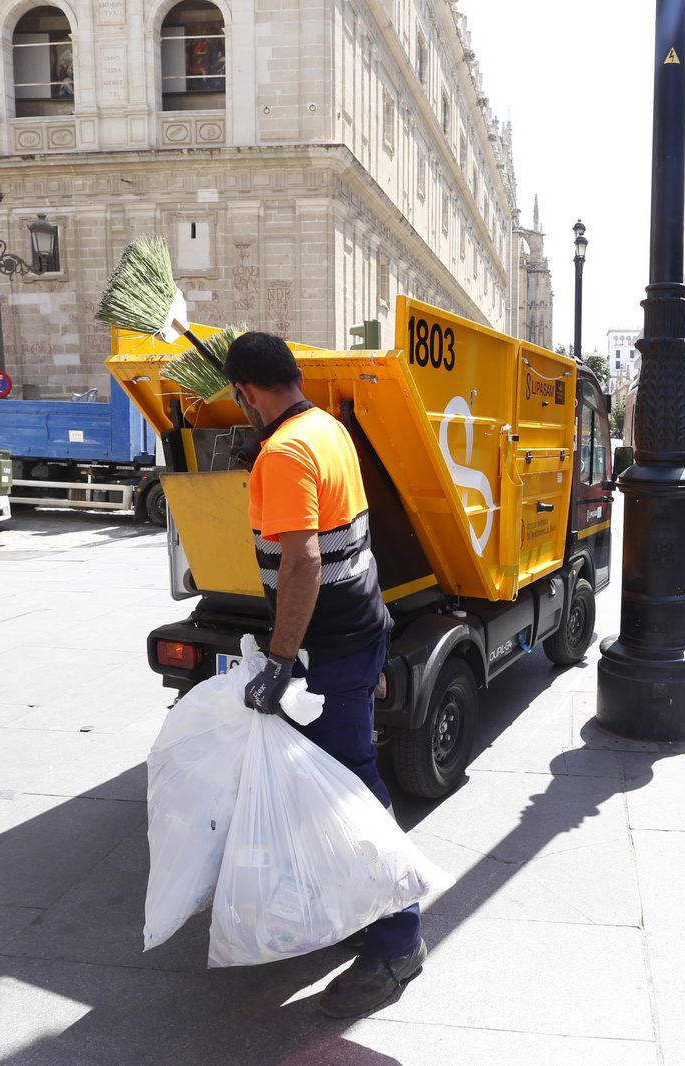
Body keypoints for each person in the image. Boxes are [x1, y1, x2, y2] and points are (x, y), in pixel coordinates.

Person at [223, 331, 424, 1018]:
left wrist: (281, 660)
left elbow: (303, 562)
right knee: (338, 787)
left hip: (331, 648)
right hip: (360, 630)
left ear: (246, 391)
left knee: (352, 792)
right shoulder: (324, 427)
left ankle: (399, 941)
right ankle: (357, 909)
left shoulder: (284, 451)